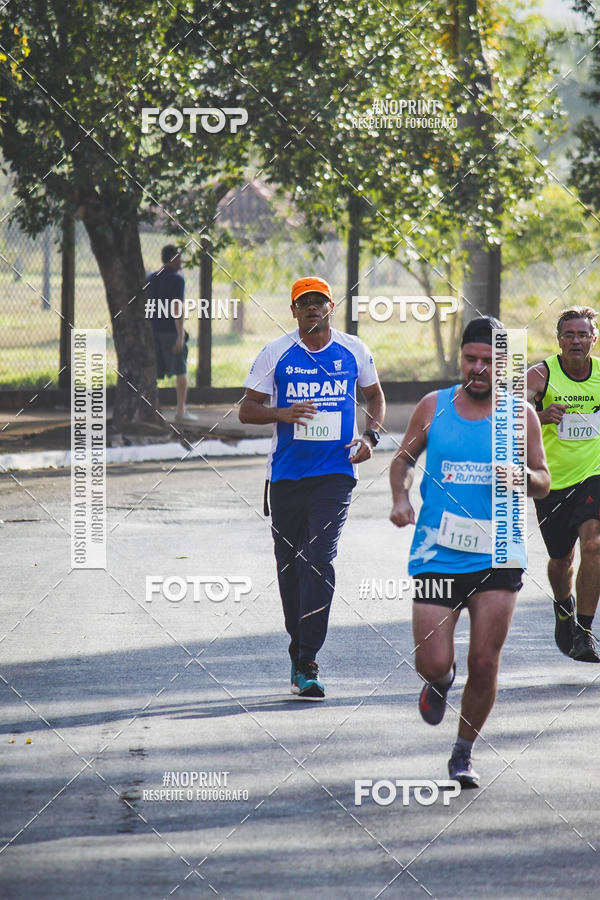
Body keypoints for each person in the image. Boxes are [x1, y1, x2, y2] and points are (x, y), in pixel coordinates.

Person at [390, 316, 550, 788]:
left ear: (503, 365)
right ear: (461, 358)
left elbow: (543, 480)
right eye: (470, 359)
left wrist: (522, 478)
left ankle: (463, 752)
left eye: (487, 361)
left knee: (485, 661)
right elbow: (402, 460)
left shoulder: (520, 415)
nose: (477, 369)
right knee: (432, 662)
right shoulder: (433, 406)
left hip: (499, 550)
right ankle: (440, 681)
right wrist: (401, 497)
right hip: (437, 550)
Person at [239, 276, 385, 699]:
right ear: (294, 311)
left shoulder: (354, 350)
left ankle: (308, 660)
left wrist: (370, 438)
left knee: (318, 559)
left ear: (331, 306)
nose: (312, 310)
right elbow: (247, 411)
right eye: (304, 304)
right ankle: (297, 647)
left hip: (335, 474)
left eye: (319, 303)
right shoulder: (276, 353)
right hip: (286, 476)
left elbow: (376, 398)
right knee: (290, 567)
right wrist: (282, 413)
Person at [527, 305, 600, 663]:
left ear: (593, 338)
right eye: (569, 334)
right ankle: (563, 605)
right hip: (551, 480)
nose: (576, 340)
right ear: (558, 339)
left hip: (594, 473)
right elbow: (505, 419)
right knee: (561, 560)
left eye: (583, 334)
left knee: (595, 544)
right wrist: (540, 416)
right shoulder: (541, 374)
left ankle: (585, 633)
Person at [148, 245, 197, 423]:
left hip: (153, 331)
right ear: (171, 259)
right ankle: (181, 411)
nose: (181, 261)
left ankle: (150, 408)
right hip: (170, 331)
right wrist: (180, 335)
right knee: (180, 370)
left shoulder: (151, 278)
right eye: (178, 257)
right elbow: (177, 307)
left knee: (153, 372)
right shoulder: (177, 280)